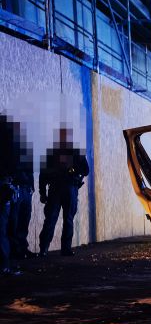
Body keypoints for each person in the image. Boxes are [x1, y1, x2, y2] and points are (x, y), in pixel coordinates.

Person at [38, 127, 89, 257]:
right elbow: (43, 174)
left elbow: (85, 170)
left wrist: (73, 170)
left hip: (64, 188)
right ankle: (52, 249)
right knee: (57, 219)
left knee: (59, 219)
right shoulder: (55, 152)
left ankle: (49, 249)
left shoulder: (69, 151)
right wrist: (42, 192)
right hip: (62, 188)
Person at [8, 121, 36, 260]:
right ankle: (15, 250)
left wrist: (32, 187)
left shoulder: (25, 146)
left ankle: (22, 248)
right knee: (15, 220)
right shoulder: (10, 146)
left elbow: (30, 168)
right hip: (18, 186)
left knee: (24, 219)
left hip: (25, 188)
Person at [0, 115, 19, 274]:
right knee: (4, 226)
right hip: (4, 185)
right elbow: (14, 164)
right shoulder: (10, 143)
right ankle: (4, 265)